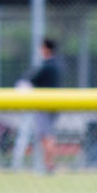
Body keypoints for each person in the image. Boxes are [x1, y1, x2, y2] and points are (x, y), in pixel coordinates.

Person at [25, 38, 62, 172]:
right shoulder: (57, 64)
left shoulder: (47, 66)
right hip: (54, 105)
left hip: (45, 105)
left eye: (42, 48)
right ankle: (49, 164)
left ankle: (49, 165)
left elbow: (31, 79)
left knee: (46, 136)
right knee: (49, 135)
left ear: (47, 49)